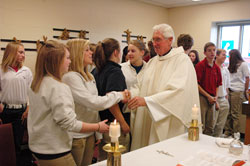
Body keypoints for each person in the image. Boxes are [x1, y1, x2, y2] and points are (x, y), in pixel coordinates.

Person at [28, 40, 109, 166]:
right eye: (67, 58)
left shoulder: (37, 83)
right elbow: (69, 123)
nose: (70, 62)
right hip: (55, 149)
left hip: (40, 147)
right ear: (56, 61)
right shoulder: (58, 87)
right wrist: (97, 127)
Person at [127, 24, 200, 150]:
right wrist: (130, 94)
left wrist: (147, 101)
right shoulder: (152, 62)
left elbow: (178, 92)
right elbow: (141, 85)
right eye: (153, 40)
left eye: (158, 39)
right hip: (148, 116)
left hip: (168, 121)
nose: (154, 44)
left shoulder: (182, 60)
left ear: (170, 40)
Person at [62, 39, 130, 166]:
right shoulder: (71, 77)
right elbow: (93, 102)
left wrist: (97, 134)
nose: (91, 53)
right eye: (86, 50)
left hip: (90, 132)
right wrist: (119, 95)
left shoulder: (90, 75)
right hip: (77, 134)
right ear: (77, 53)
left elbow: (94, 109)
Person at [93, 38, 130, 160]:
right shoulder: (115, 71)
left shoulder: (97, 70)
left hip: (102, 123)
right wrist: (123, 124)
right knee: (117, 160)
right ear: (115, 52)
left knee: (105, 160)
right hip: (114, 124)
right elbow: (111, 101)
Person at [0, 41, 33, 165]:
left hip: (22, 112)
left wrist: (28, 107)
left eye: (24, 52)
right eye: (20, 52)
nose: (23, 55)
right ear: (11, 53)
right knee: (6, 143)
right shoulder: (1, 70)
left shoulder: (26, 71)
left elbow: (31, 91)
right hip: (6, 111)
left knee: (18, 142)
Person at [195, 42, 222, 136]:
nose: (212, 52)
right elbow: (197, 85)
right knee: (201, 124)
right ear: (204, 53)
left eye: (214, 50)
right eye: (209, 50)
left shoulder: (217, 68)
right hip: (202, 97)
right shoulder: (200, 66)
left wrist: (215, 98)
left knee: (210, 126)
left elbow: (218, 85)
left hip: (213, 98)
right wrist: (208, 96)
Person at [121, 40, 147, 134]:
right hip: (126, 112)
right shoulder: (121, 68)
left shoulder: (149, 69)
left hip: (143, 112)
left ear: (142, 52)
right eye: (128, 51)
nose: (129, 54)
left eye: (133, 51)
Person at [224, 49, 250, 138]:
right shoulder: (231, 65)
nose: (229, 57)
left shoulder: (243, 64)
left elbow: (247, 78)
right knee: (228, 113)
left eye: (230, 56)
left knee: (234, 113)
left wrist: (245, 90)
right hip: (230, 89)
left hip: (238, 91)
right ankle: (228, 131)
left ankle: (236, 133)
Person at [213, 49, 230, 137]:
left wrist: (226, 100)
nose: (225, 56)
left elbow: (226, 86)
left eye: (225, 55)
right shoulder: (213, 69)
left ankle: (218, 141)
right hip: (215, 99)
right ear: (217, 55)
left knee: (220, 126)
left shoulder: (225, 70)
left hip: (224, 99)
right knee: (213, 125)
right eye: (223, 54)